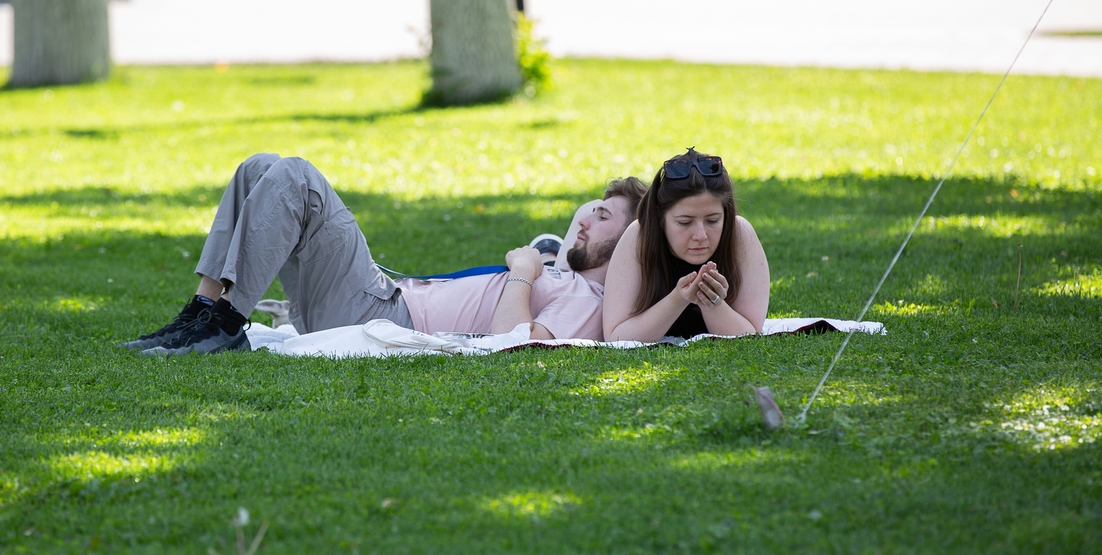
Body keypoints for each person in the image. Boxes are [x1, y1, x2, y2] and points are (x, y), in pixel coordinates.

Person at [124, 153, 647, 355]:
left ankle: (226, 322)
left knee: (299, 178)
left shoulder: (589, 300)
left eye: (604, 217)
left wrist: (526, 273)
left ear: (627, 244)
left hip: (381, 314)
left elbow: (512, 344)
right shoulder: (564, 270)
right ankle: (203, 312)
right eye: (591, 208)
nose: (586, 218)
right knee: (258, 168)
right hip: (374, 298)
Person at [602, 148, 770, 342]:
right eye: (685, 222)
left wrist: (712, 303)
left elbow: (750, 336)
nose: (700, 235)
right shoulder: (639, 236)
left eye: (713, 220)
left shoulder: (739, 234)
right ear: (660, 218)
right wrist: (678, 299)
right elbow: (616, 338)